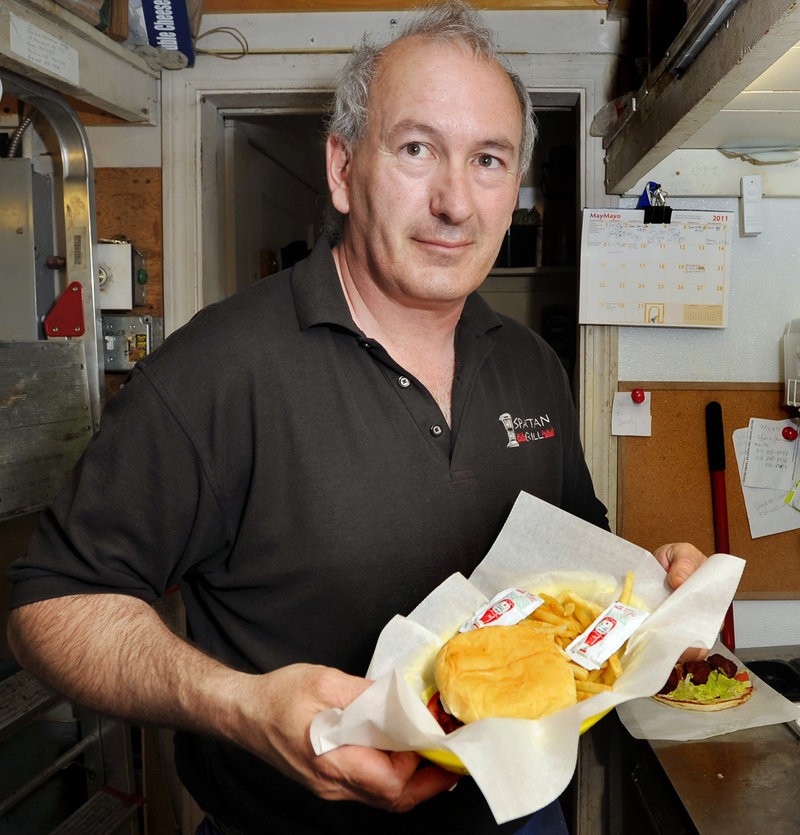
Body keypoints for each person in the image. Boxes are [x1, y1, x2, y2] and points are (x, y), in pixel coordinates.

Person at [6, 2, 707, 833]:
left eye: (489, 159)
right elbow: (49, 606)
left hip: (519, 816)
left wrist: (656, 587)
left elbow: (575, 549)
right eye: (417, 149)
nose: (455, 201)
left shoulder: (532, 366)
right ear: (342, 168)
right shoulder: (217, 372)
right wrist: (240, 704)